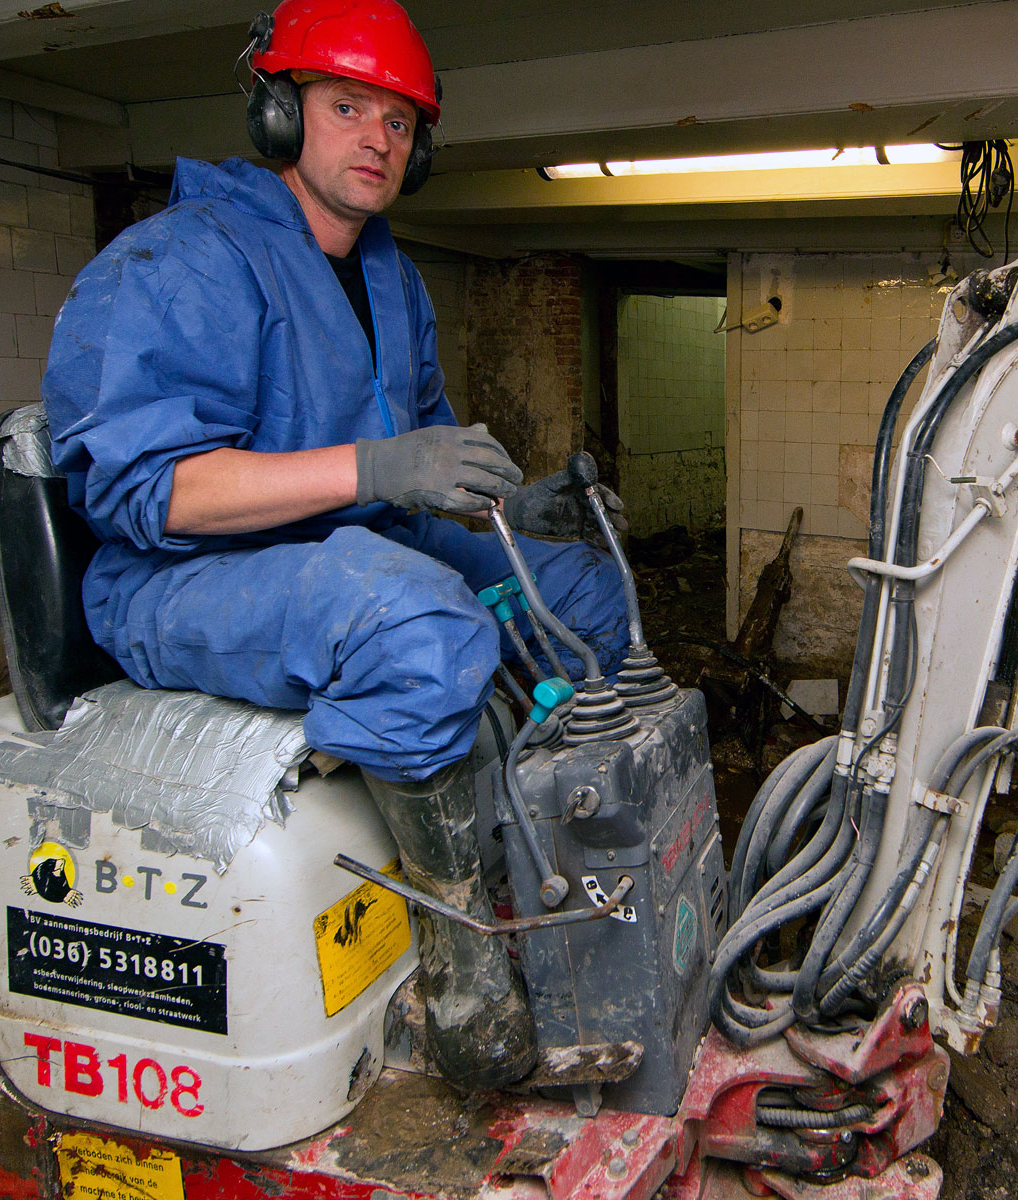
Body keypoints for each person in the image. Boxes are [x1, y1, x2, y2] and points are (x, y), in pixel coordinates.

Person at [41, 0, 625, 1088]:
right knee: (422, 626)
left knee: (581, 594)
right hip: (184, 579)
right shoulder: (178, 259)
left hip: (351, 548)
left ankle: (551, 848)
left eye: (401, 124)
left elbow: (420, 461)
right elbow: (148, 490)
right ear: (277, 114)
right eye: (347, 106)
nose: (376, 140)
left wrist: (514, 508)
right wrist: (378, 471)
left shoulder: (388, 277)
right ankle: (463, 963)